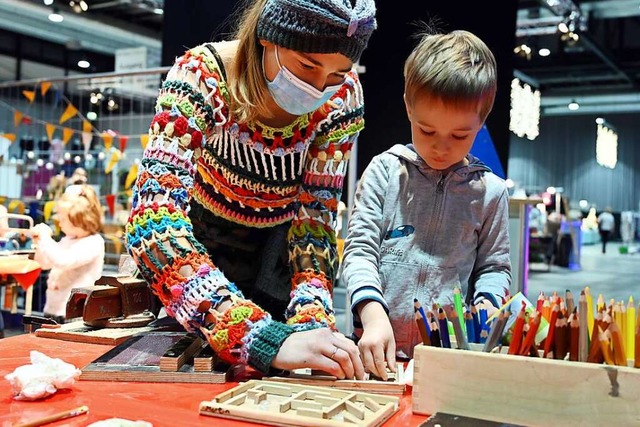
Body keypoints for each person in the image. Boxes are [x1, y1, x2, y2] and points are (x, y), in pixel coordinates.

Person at [125, 0, 377, 378]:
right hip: (192, 258)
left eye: (337, 74)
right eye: (307, 65)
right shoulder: (200, 77)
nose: (318, 87)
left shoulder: (342, 100)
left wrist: (312, 323)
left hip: (274, 259)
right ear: (267, 36)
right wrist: (258, 336)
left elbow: (315, 227)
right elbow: (153, 224)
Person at [341, 29, 512, 379]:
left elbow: (495, 268)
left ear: (483, 117)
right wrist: (372, 316)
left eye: (460, 135)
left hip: (445, 358)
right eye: (427, 130)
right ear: (408, 106)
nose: (441, 147)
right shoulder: (384, 172)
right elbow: (359, 251)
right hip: (374, 352)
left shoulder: (490, 193)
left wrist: (487, 307)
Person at [32, 184, 105, 324]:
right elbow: (44, 263)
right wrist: (39, 243)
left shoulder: (94, 242)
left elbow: (63, 260)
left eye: (63, 219)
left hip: (75, 315)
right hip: (53, 311)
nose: (59, 222)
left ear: (79, 219)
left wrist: (46, 238)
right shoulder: (68, 240)